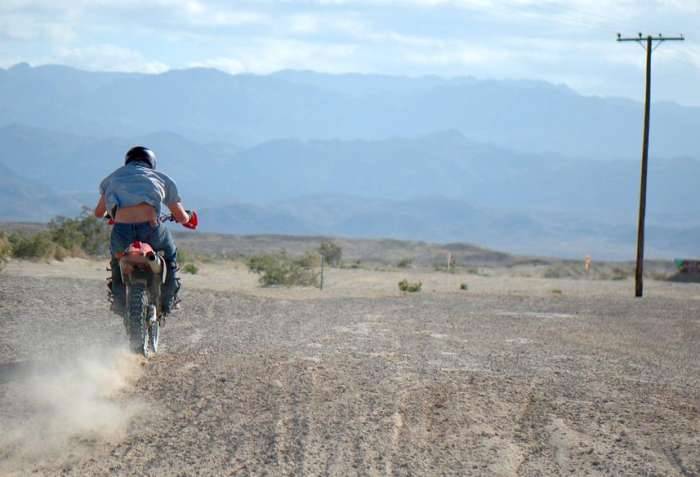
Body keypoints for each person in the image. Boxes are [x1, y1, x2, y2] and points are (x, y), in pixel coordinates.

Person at [94, 146, 197, 315]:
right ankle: (168, 301)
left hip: (121, 229)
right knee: (170, 255)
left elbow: (99, 213)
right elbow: (180, 216)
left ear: (127, 161)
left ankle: (119, 302)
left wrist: (111, 212)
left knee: (116, 261)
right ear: (151, 163)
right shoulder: (162, 179)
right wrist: (187, 217)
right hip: (150, 227)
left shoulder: (112, 179)